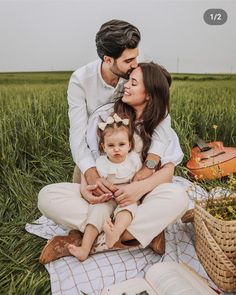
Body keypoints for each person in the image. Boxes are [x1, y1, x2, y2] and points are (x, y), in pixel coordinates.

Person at [38, 62, 189, 264]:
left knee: (178, 197)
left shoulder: (161, 122)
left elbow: (168, 171)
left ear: (149, 95)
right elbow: (89, 161)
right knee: (47, 196)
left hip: (139, 200)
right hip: (104, 196)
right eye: (129, 81)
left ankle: (91, 240)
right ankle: (134, 235)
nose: (126, 86)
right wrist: (85, 190)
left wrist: (138, 188)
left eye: (133, 83)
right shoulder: (105, 116)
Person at [68, 19, 141, 191]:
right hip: (95, 152)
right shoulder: (80, 80)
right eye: (129, 60)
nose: (136, 64)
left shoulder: (137, 73)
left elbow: (160, 115)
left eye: (136, 57)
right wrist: (90, 172)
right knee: (82, 197)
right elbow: (77, 134)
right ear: (108, 60)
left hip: (133, 150)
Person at [68, 113, 142, 261]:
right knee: (96, 213)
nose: (116, 149)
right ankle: (85, 248)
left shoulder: (133, 159)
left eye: (121, 144)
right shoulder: (101, 162)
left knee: (127, 211)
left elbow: (139, 179)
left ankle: (114, 234)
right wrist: (89, 190)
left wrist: (135, 190)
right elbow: (88, 175)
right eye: (111, 145)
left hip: (127, 195)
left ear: (129, 145)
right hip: (107, 198)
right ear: (103, 147)